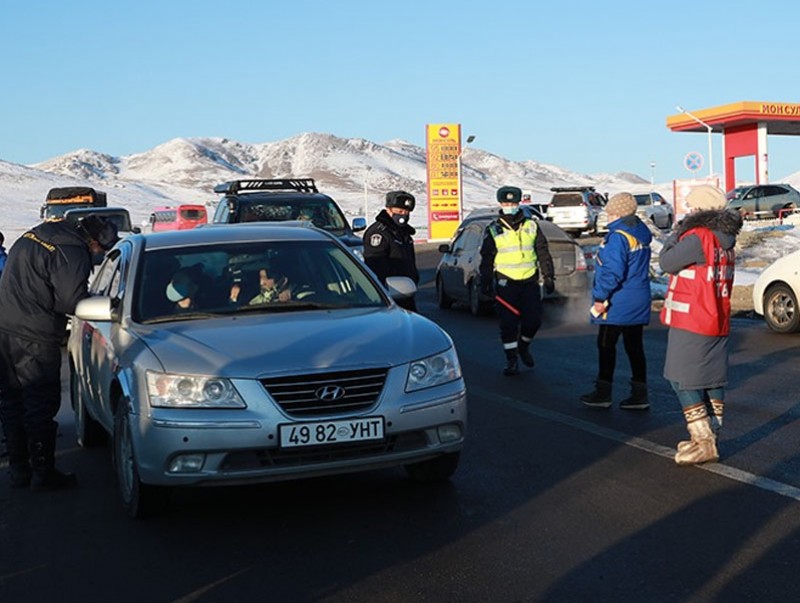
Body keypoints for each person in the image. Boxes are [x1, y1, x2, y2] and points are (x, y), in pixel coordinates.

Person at [0, 214, 118, 490]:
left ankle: (19, 470)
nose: (99, 255)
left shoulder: (38, 234)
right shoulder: (73, 251)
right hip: (35, 335)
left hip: (4, 328)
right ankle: (43, 472)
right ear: (94, 242)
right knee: (39, 402)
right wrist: (107, 304)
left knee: (11, 401)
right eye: (101, 250)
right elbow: (71, 300)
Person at [659, 184, 743, 465]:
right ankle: (709, 436)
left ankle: (704, 440)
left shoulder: (698, 237)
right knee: (711, 378)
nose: (689, 210)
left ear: (700, 210)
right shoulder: (726, 237)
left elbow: (667, 262)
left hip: (693, 318)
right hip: (716, 316)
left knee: (681, 378)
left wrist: (675, 235)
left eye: (692, 206)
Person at [580, 192, 653, 409]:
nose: (607, 216)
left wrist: (601, 297)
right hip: (638, 296)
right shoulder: (639, 233)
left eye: (610, 212)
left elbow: (612, 271)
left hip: (618, 299)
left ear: (617, 213)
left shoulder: (618, 237)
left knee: (606, 344)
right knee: (634, 346)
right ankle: (640, 394)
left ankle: (603, 392)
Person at [479, 185, 555, 376]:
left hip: (529, 281)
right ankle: (511, 359)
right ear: (500, 204)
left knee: (533, 321)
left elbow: (543, 252)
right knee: (508, 324)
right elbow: (486, 258)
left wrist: (548, 276)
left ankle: (524, 346)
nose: (509, 206)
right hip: (506, 283)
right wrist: (485, 282)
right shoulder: (493, 229)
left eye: (513, 203)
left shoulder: (532, 225)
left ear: (519, 203)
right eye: (506, 203)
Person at [363, 190, 420, 311]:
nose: (403, 215)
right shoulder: (379, 232)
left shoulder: (404, 233)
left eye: (406, 212)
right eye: (399, 211)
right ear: (388, 210)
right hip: (389, 295)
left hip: (406, 294)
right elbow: (376, 265)